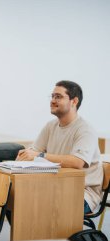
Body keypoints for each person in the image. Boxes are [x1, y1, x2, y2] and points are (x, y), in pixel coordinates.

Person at [17, 80, 103, 214]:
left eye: (58, 96)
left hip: (82, 193)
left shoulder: (85, 130)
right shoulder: (50, 126)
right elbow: (34, 150)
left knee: (35, 204)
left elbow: (77, 162)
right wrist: (26, 155)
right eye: (52, 96)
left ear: (74, 101)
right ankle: (32, 234)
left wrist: (39, 156)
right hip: (55, 186)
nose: (52, 100)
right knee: (14, 200)